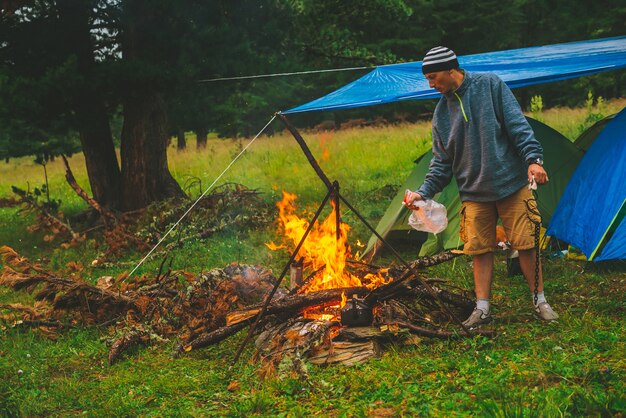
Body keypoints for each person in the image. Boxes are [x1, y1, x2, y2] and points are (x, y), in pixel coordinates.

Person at [405, 46, 559, 328]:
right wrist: (422, 192)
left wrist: (533, 160)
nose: (430, 84)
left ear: (452, 70)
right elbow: (441, 163)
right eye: (427, 79)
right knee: (479, 250)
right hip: (474, 193)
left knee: (526, 244)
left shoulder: (490, 85)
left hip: (511, 184)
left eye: (434, 77)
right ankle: (482, 308)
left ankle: (540, 301)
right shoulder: (441, 114)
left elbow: (518, 126)